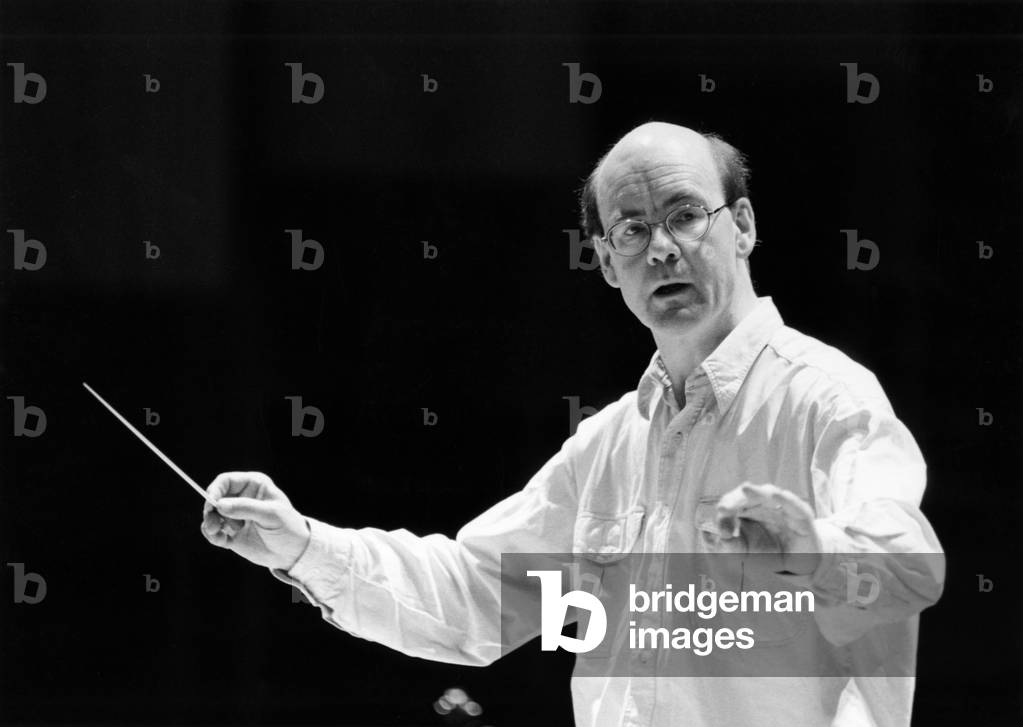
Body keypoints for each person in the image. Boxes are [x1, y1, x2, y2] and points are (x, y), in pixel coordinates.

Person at [201, 122, 944, 727]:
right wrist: (299, 544)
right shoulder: (609, 444)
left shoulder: (825, 398)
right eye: (630, 230)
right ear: (605, 262)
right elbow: (472, 594)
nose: (660, 248)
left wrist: (810, 548)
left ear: (742, 224)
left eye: (685, 214)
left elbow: (908, 567)